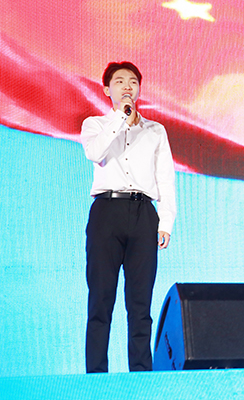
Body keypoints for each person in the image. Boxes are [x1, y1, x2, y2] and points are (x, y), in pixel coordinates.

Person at [80, 61, 176, 373]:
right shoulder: (95, 125)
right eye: (119, 81)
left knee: (140, 305)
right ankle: (96, 377)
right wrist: (121, 117)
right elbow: (95, 153)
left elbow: (166, 178)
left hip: (143, 214)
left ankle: (141, 375)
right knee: (100, 301)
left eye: (133, 81)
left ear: (139, 88)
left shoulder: (155, 131)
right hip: (106, 213)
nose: (127, 86)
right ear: (107, 89)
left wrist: (166, 221)